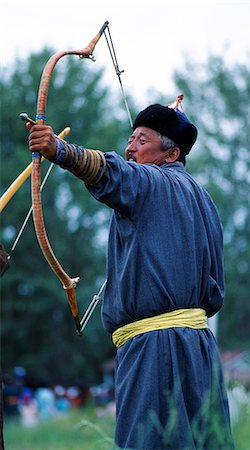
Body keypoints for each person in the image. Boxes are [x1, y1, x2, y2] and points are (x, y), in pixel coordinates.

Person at [27, 95, 234, 449]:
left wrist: (59, 150)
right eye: (130, 138)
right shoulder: (203, 197)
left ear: (171, 155)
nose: (130, 147)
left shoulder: (149, 183)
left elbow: (108, 171)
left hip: (156, 350)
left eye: (143, 140)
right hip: (199, 349)